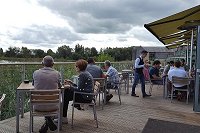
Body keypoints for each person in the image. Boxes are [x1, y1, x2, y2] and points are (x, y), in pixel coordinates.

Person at [33, 55, 62, 133]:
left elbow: (34, 85)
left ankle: (47, 121)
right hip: (53, 106)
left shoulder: (36, 73)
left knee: (43, 99)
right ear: (53, 64)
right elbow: (60, 86)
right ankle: (49, 119)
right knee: (56, 99)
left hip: (38, 106)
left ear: (42, 63)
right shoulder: (57, 74)